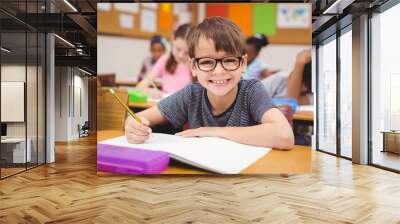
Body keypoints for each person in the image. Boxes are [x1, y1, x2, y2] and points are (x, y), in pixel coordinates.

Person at [125, 17, 294, 150]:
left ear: (243, 63)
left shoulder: (251, 91)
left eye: (229, 60)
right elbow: (139, 118)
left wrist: (212, 132)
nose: (219, 71)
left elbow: (284, 136)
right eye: (206, 62)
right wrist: (133, 126)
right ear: (193, 67)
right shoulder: (192, 94)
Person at [137, 24, 194, 96]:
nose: (181, 55)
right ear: (172, 40)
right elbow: (140, 87)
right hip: (166, 105)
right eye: (178, 49)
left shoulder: (195, 66)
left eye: (187, 52)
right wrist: (150, 91)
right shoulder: (164, 61)